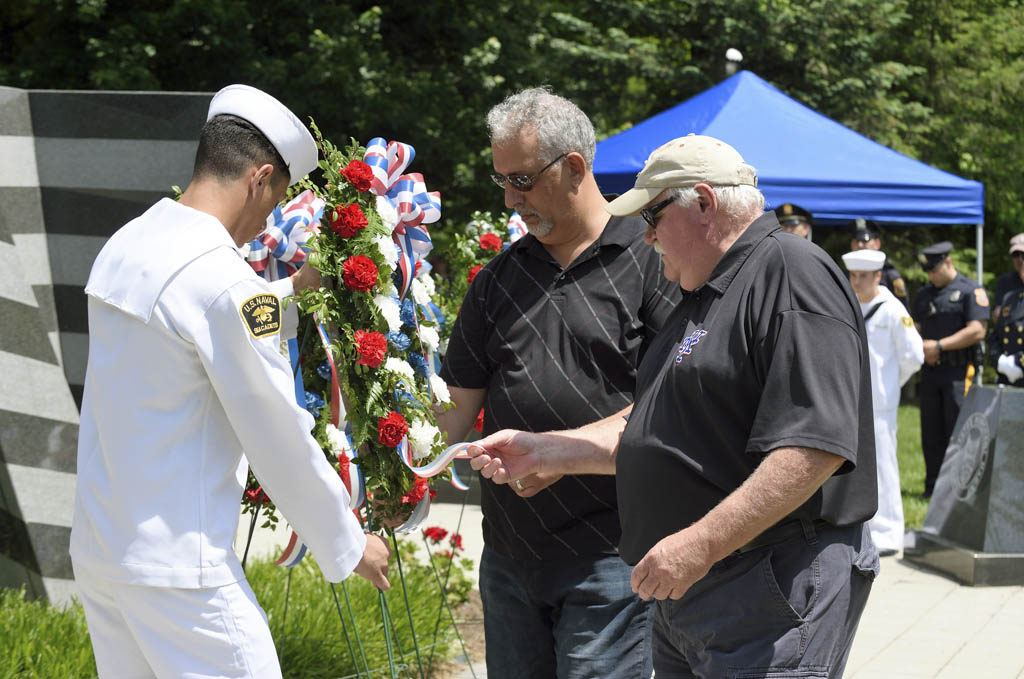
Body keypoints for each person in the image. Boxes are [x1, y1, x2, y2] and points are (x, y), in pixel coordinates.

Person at [470, 134, 879, 678]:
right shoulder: (705, 292)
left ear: (705, 204)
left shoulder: (788, 270)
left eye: (654, 216)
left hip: (767, 577)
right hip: (700, 589)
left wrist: (699, 544)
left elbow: (812, 447)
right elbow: (656, 432)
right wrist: (545, 453)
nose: (647, 235)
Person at [70, 84, 391, 679]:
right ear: (259, 178)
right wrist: (347, 541)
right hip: (182, 576)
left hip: (104, 551)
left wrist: (291, 291)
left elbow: (188, 322)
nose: (267, 218)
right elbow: (278, 434)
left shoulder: (129, 242)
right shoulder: (224, 282)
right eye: (275, 200)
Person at [437, 87, 680, 679]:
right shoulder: (497, 280)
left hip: (614, 556)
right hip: (511, 557)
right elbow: (453, 408)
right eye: (501, 181)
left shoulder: (656, 262)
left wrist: (560, 454)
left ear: (575, 166)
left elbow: (671, 411)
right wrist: (369, 432)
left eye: (521, 179)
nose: (510, 198)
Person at [842, 249, 923, 556]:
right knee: (855, 465)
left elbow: (913, 357)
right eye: (853, 275)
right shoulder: (849, 304)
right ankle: (864, 527)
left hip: (880, 403)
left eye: (863, 276)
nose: (857, 282)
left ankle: (889, 533)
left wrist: (890, 385)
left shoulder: (891, 309)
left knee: (884, 466)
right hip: (852, 399)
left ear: (878, 276)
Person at [912, 241, 988, 498]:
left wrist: (940, 346)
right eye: (928, 272)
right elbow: (917, 328)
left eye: (934, 270)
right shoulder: (924, 294)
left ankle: (960, 488)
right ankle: (932, 488)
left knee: (959, 431)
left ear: (948, 262)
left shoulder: (969, 290)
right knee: (930, 433)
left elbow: (978, 329)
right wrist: (921, 347)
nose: (931, 276)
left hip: (958, 374)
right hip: (931, 373)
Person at [850, 218, 909, 308]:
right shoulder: (846, 274)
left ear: (877, 244)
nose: (860, 245)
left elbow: (902, 309)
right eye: (856, 241)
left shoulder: (890, 275)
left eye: (865, 241)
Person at [990, 235, 1024, 387]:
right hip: (1010, 375)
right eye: (1016, 256)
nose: (1020, 261)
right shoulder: (1010, 295)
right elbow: (998, 331)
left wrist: (1019, 362)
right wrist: (999, 360)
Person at [991, 232, 1024, 321]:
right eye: (1016, 255)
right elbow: (997, 316)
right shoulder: (1005, 281)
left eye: (1023, 254)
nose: (1020, 259)